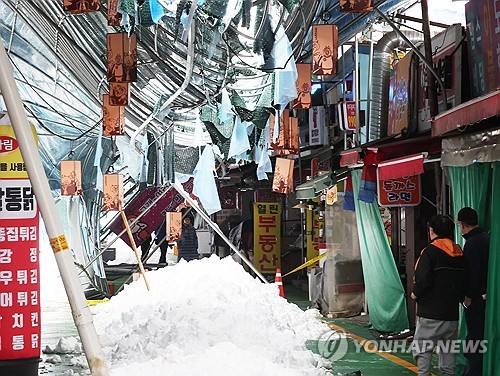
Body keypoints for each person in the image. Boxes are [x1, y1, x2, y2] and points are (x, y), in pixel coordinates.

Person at [411, 215, 467, 376]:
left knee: (422, 350)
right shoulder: (459, 253)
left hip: (430, 312)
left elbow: (422, 278)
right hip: (451, 314)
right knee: (448, 351)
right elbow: (464, 279)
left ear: (431, 231)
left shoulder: (429, 252)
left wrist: (415, 293)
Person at [457, 207, 490, 376]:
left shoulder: (472, 244)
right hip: (488, 299)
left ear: (462, 225)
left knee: (475, 338)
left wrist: (468, 296)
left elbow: (473, 274)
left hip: (477, 300)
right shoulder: (487, 238)